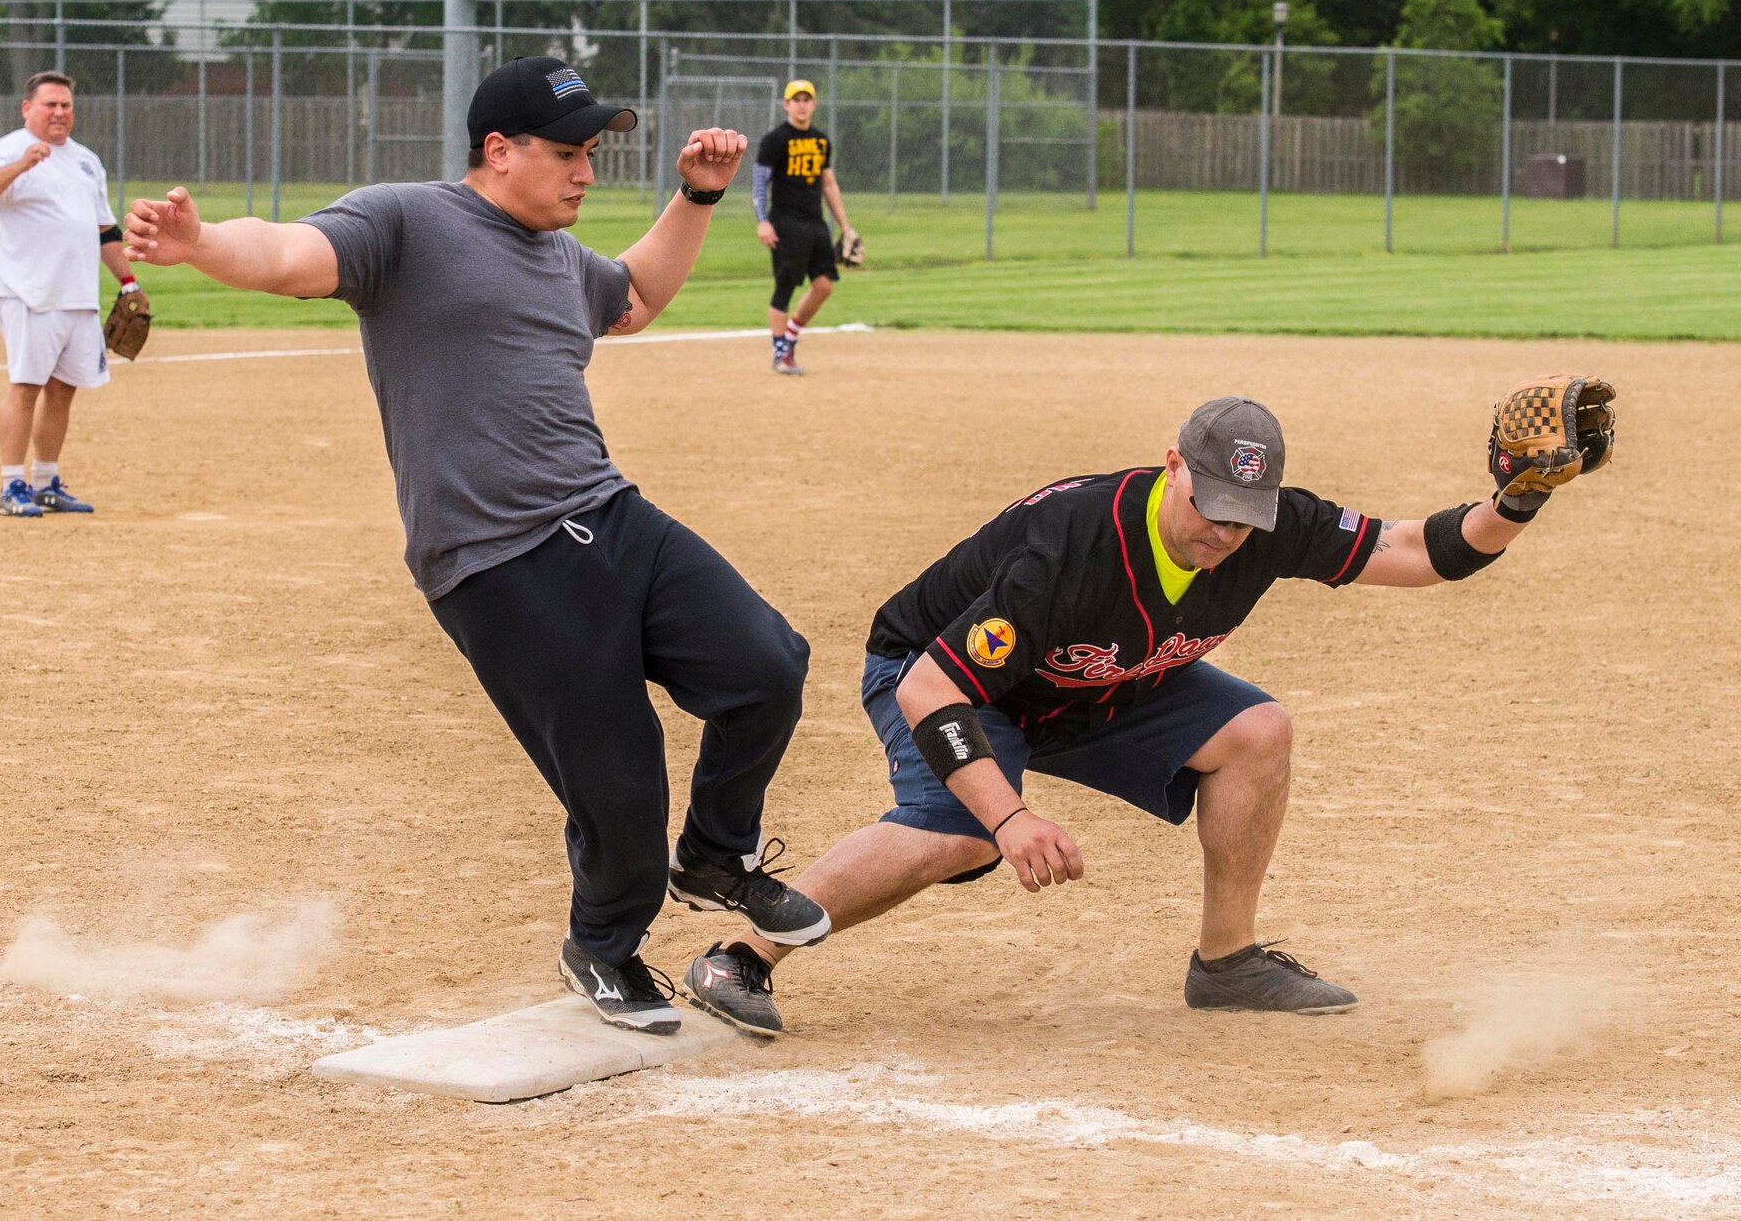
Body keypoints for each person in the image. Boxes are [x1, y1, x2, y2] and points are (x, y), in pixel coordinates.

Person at [121, 56, 829, 1036]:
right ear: (498, 151)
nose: (585, 172)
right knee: (618, 782)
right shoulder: (404, 224)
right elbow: (287, 254)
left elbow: (634, 302)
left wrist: (697, 196)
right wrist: (201, 245)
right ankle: (602, 946)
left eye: (590, 153)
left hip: (607, 514)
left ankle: (715, 858)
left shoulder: (558, 253)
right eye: (567, 153)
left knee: (765, 662)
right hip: (499, 561)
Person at [681, 388, 1615, 1036]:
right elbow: (934, 689)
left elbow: (1417, 549)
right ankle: (741, 956)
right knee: (960, 833)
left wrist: (1514, 500)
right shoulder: (1071, 545)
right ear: (1173, 465)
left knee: (1258, 732)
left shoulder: (1265, 523)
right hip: (952, 677)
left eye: (1245, 515)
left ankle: (1228, 962)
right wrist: (1007, 816)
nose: (1224, 532)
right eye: (1210, 505)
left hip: (1099, 683)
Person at [0, 70, 142, 517]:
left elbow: (105, 230)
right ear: (28, 109)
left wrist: (129, 282)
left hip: (79, 296)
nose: (59, 112)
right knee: (26, 386)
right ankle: (10, 487)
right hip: (30, 292)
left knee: (63, 390)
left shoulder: (86, 161)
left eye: (65, 105)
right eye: (49, 104)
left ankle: (44, 481)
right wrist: (22, 164)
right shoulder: (7, 150)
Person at [753, 79, 856, 376]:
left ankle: (790, 338)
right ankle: (780, 353)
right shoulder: (775, 140)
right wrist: (763, 221)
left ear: (814, 104)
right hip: (786, 223)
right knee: (785, 288)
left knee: (824, 285)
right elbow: (760, 183)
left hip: (815, 223)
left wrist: (845, 226)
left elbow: (829, 184)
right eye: (795, 99)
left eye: (806, 98)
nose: (801, 103)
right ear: (786, 105)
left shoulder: (821, 141)